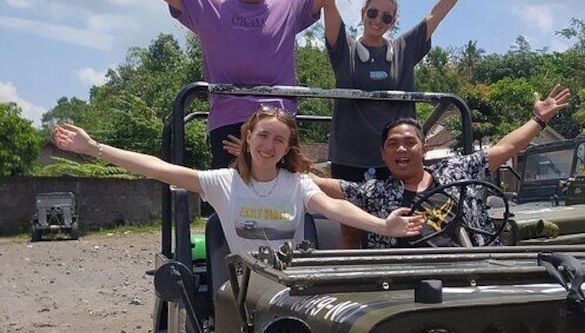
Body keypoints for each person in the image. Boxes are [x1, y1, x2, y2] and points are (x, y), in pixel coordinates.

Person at [51, 0, 408, 169]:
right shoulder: (206, 3)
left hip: (281, 123)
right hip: (231, 125)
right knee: (239, 208)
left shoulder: (289, 7)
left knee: (294, 205)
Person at [53, 107, 423, 255]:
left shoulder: (296, 183)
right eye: (263, 135)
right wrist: (95, 147)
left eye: (279, 140)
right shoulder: (221, 183)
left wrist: (383, 226)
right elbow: (156, 168)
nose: (269, 145)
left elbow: (334, 207)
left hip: (293, 285)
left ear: (287, 148)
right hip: (244, 286)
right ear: (248, 137)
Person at [320, 0, 475, 246]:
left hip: (394, 156)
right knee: (351, 226)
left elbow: (436, 14)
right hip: (351, 156)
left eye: (387, 17)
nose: (379, 20)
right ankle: (353, 284)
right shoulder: (344, 49)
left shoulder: (403, 49)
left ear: (393, 21)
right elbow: (328, 2)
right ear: (363, 12)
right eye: (373, 13)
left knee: (404, 221)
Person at [313, 85, 571, 248]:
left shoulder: (456, 171)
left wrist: (538, 120)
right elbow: (323, 185)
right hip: (406, 283)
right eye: (393, 144)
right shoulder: (374, 193)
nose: (401, 149)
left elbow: (505, 149)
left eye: (409, 143)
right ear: (383, 153)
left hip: (469, 269)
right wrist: (278, 162)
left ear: (423, 148)